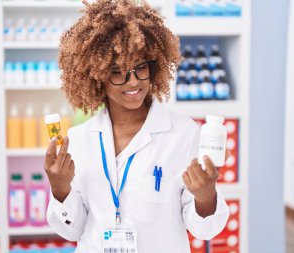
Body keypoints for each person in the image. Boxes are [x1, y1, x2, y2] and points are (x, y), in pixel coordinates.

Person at [44, 0, 230, 252]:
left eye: (141, 67)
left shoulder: (184, 133)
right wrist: (60, 189)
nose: (133, 82)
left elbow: (204, 230)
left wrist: (206, 196)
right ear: (96, 75)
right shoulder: (78, 139)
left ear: (154, 67)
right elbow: (71, 230)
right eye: (118, 71)